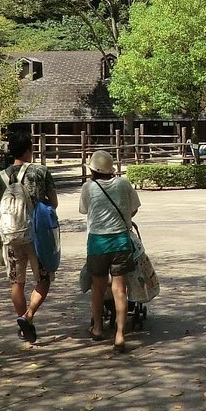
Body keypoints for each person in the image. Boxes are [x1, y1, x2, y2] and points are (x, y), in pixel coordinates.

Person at [0, 131, 57, 344]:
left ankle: (23, 321)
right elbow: (53, 203)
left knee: (17, 282)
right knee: (43, 280)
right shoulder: (41, 172)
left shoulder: (2, 177)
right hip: (37, 236)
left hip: (11, 236)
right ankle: (28, 315)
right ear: (29, 149)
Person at [79, 149, 141, 353]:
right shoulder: (123, 183)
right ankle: (120, 335)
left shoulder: (88, 187)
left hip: (97, 242)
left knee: (97, 288)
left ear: (93, 171)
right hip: (121, 242)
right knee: (120, 290)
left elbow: (85, 210)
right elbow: (134, 208)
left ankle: (97, 328)